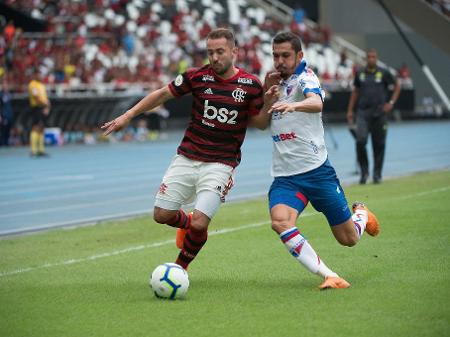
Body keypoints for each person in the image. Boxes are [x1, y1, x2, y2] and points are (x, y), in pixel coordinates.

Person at [101, 28, 275, 270]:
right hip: (187, 156)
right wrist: (128, 115)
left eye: (220, 52)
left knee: (200, 224)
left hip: (221, 163)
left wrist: (269, 102)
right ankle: (187, 222)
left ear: (234, 52)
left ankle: (179, 268)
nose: (214, 58)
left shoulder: (251, 85)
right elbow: (162, 94)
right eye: (210, 52)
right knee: (161, 215)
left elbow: (260, 124)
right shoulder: (197, 76)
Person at [261, 32, 380, 290]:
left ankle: (361, 214)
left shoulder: (307, 77)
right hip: (286, 178)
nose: (279, 61)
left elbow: (316, 102)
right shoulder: (273, 84)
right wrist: (265, 96)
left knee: (348, 239)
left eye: (285, 56)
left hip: (318, 174)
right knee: (280, 221)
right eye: (275, 56)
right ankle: (329, 275)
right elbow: (260, 122)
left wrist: (295, 106)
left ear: (299, 56)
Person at [346, 49, 401, 184]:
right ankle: (364, 173)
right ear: (366, 59)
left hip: (380, 114)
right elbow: (355, 92)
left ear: (376, 58)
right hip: (363, 114)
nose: (371, 59)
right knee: (360, 141)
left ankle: (377, 174)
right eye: (369, 57)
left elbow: (397, 85)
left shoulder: (383, 72)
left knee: (379, 145)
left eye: (373, 57)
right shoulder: (360, 73)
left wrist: (391, 103)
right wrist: (350, 110)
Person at [28, 68, 51, 157]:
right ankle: (34, 150)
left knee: (41, 128)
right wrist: (45, 104)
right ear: (34, 75)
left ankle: (41, 150)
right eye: (38, 74)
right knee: (35, 127)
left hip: (43, 108)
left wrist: (47, 107)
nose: (39, 76)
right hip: (36, 108)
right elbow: (36, 97)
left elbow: (45, 98)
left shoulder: (41, 85)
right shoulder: (32, 85)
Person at [0, 74, 14, 146]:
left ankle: (6, 144)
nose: (6, 85)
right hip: (4, 116)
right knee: (3, 132)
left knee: (8, 132)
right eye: (4, 84)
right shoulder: (1, 94)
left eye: (6, 84)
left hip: (9, 116)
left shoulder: (8, 94)